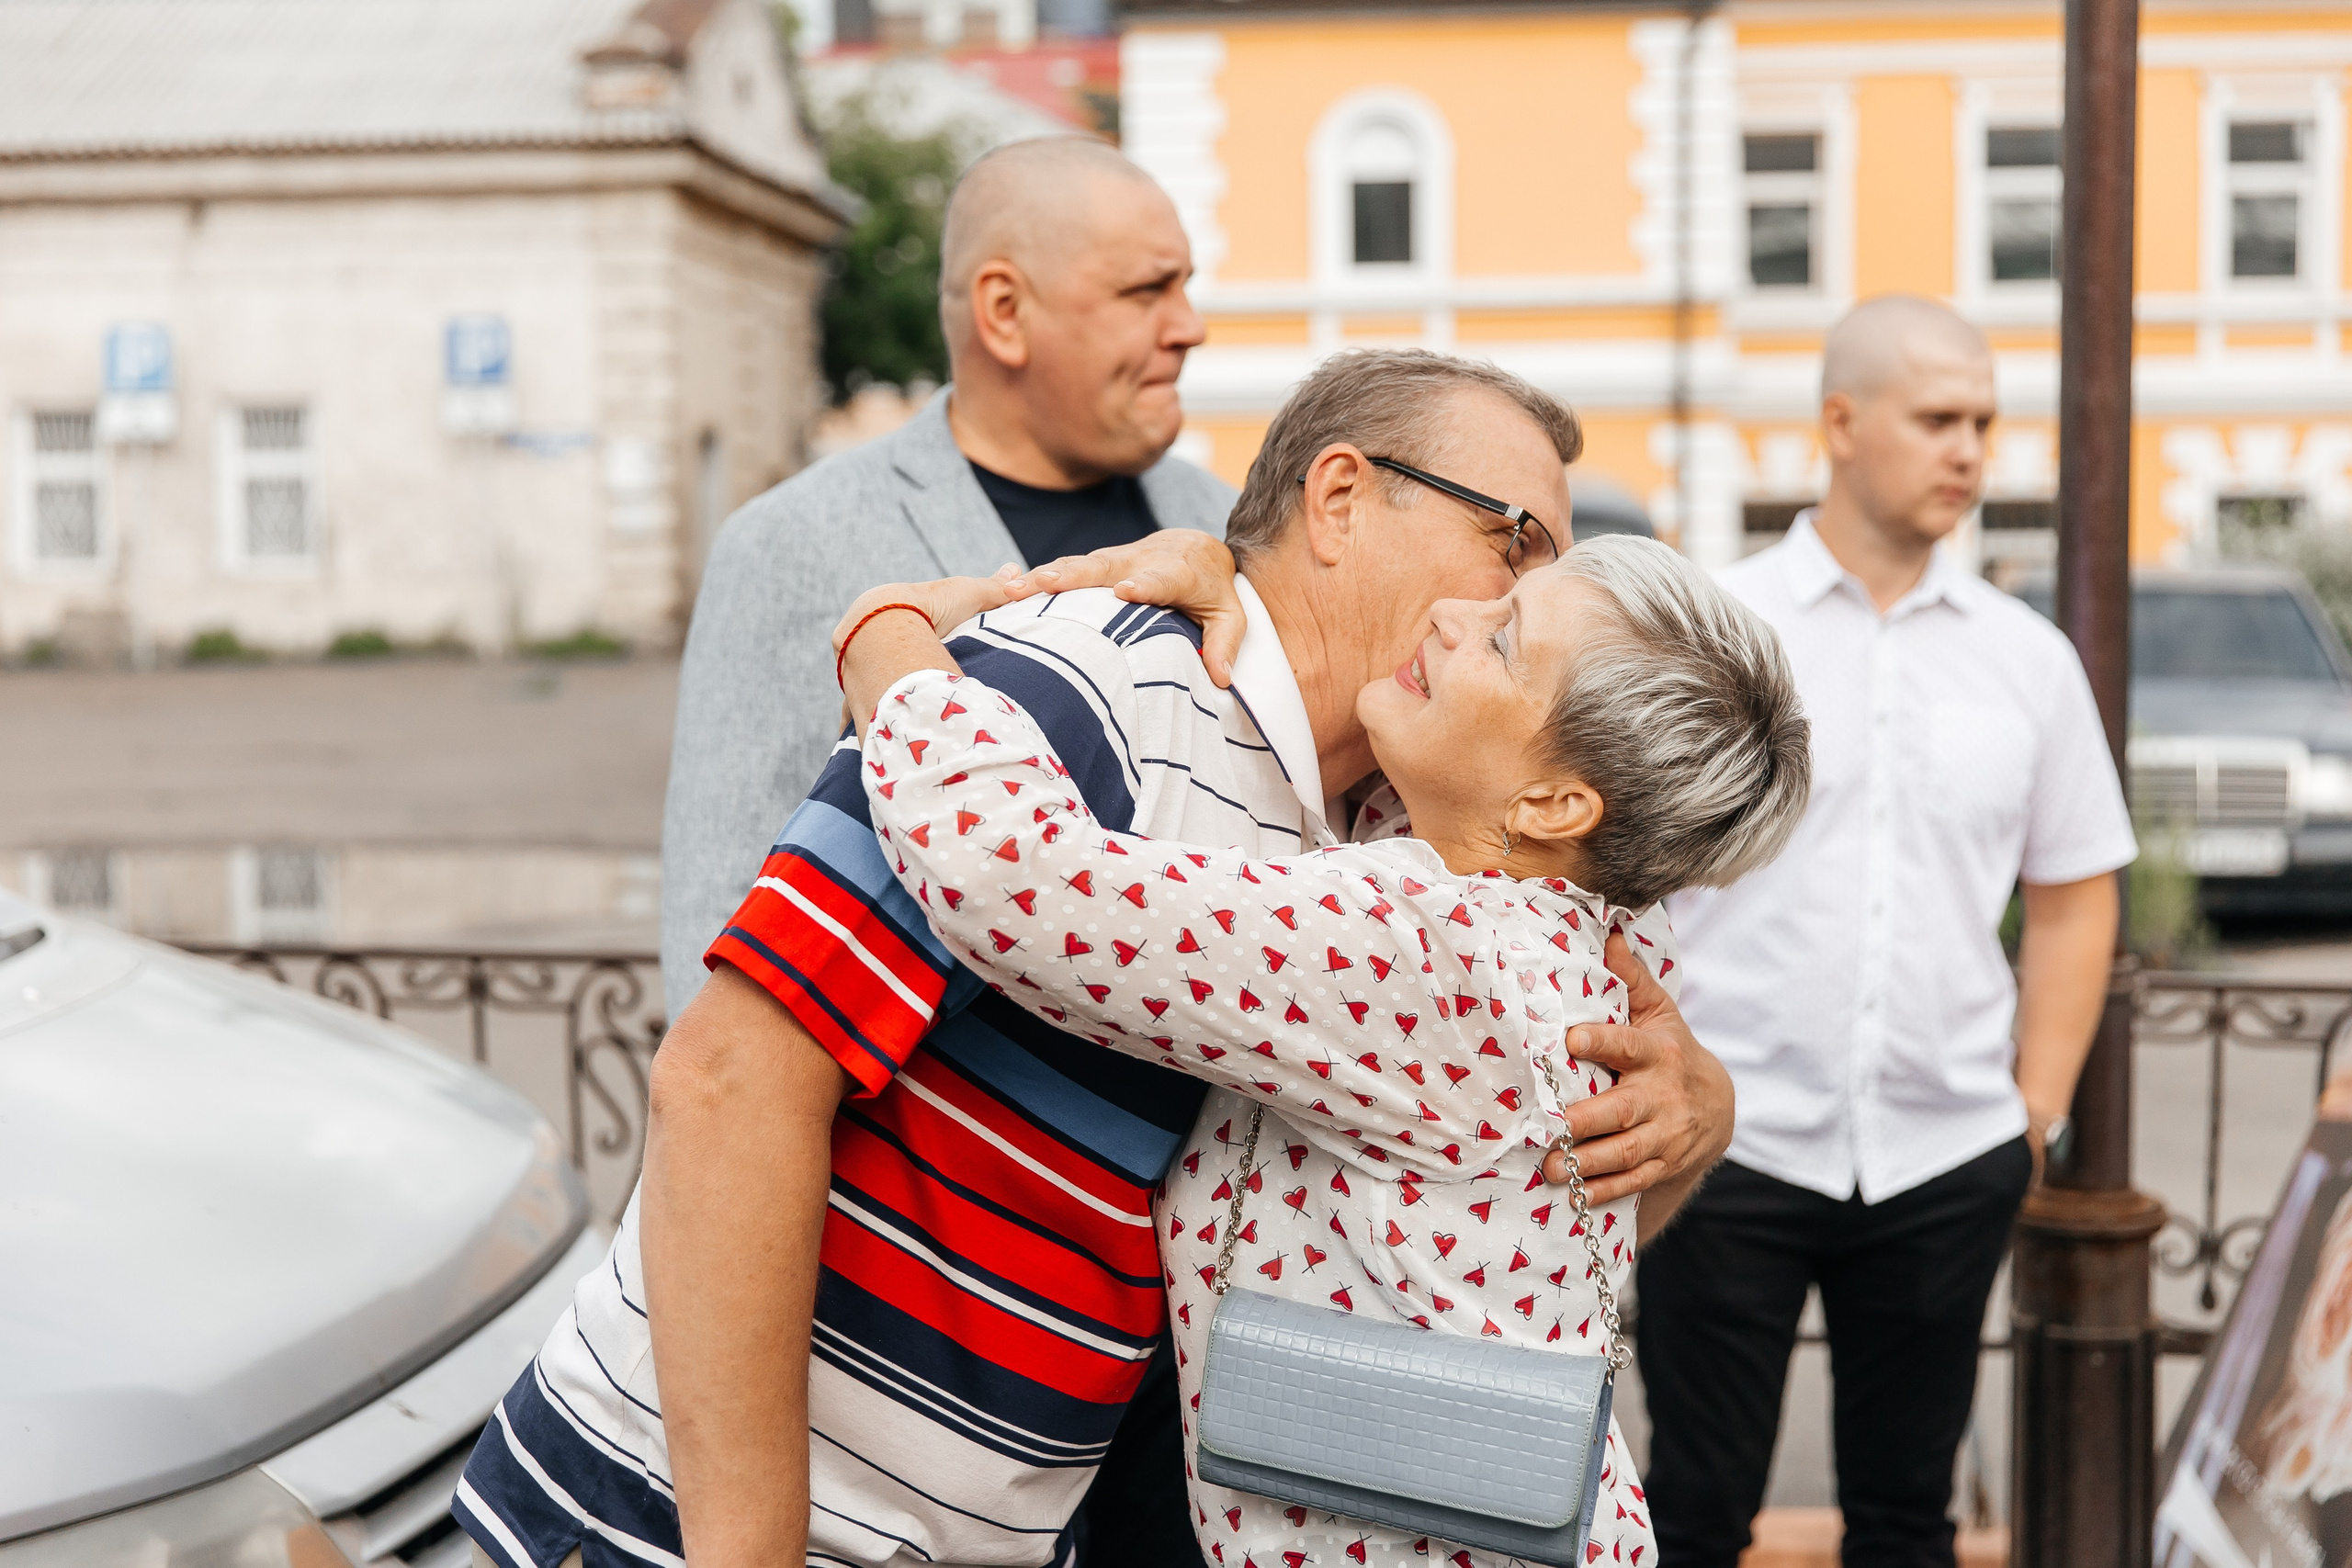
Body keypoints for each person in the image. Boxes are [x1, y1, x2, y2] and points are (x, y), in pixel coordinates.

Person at [455, 348, 1738, 1568]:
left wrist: (1688, 1102)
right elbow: (729, 1082)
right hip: (697, 1519)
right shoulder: (1080, 691)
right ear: (1338, 498)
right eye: (1512, 546)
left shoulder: (1397, 839)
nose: (1495, 610)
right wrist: (893, 634)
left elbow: (1534, 1187)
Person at [831, 532, 1812, 1568]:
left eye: (1505, 639)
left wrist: (884, 637)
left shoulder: (1425, 954)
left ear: (1556, 805)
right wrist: (1237, 576)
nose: (1451, 612)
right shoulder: (1600, 929)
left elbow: (1018, 879)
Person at [1638, 295, 2140, 1568]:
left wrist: (2033, 1113)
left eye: (1982, 420)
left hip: (1943, 1148)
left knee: (1908, 1521)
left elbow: (2077, 888)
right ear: (1842, 423)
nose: (1970, 448)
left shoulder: (2027, 659)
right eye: (1938, 418)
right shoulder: (1717, 625)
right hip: (1725, 1140)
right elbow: (1623, 869)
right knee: (1689, 1510)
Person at [660, 134, 1236, 1021]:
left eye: (1186, 286)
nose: (1188, 325)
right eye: (1146, 290)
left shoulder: (1229, 526)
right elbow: (717, 940)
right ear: (1004, 311)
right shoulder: (789, 544)